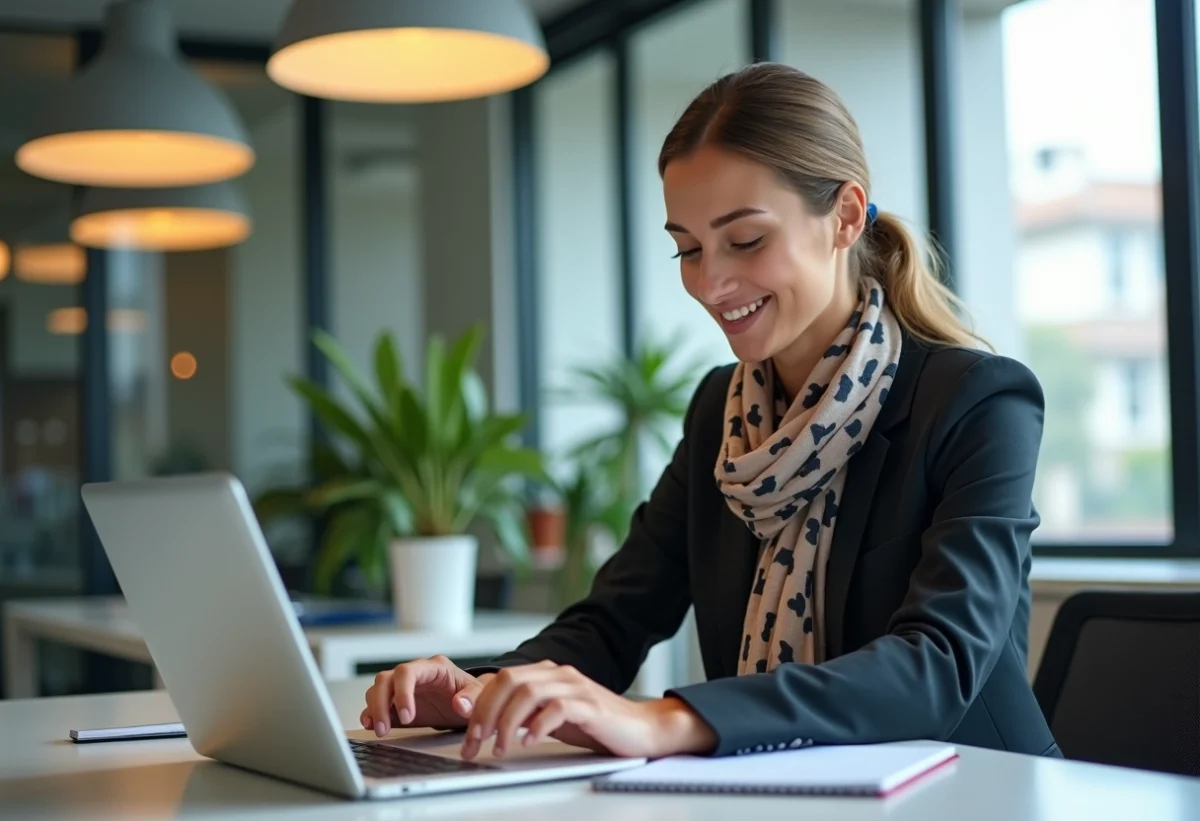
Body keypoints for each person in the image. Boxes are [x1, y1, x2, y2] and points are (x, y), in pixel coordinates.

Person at [362, 62, 1061, 762]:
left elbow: (937, 664)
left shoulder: (977, 401)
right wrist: (477, 690)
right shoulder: (719, 414)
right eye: (688, 249)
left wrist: (664, 721)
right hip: (785, 788)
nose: (712, 282)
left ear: (846, 216)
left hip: (974, 785)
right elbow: (613, 620)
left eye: (746, 240)